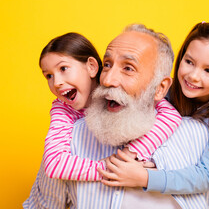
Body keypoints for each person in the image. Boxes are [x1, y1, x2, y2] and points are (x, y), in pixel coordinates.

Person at [23, 24, 209, 208]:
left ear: (160, 88)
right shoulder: (67, 141)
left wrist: (146, 174)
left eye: (128, 68)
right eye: (107, 64)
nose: (107, 80)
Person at [97, 22, 209, 208]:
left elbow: (206, 177)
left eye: (208, 71)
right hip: (172, 191)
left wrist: (146, 177)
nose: (194, 76)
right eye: (189, 62)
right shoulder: (165, 95)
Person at [29, 32, 181, 182]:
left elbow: (171, 115)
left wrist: (130, 154)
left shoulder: (117, 89)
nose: (56, 83)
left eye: (63, 69)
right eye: (48, 75)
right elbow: (54, 163)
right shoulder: (62, 108)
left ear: (92, 67)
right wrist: (110, 168)